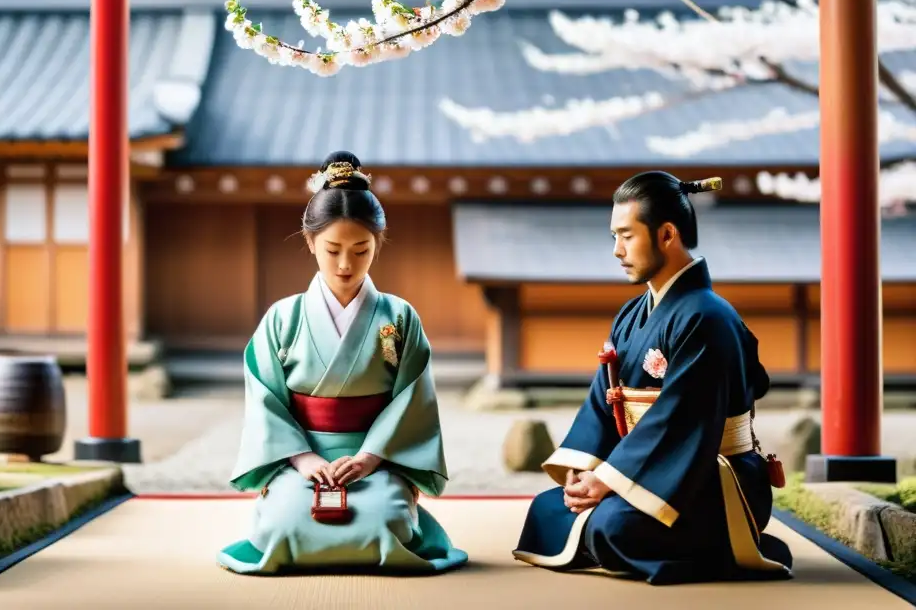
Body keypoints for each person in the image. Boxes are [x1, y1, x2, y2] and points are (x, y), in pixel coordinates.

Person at [512, 171, 793, 585]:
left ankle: (737, 547)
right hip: (650, 469)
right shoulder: (630, 315)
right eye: (613, 237)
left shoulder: (707, 317)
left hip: (710, 476)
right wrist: (583, 467)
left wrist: (607, 480)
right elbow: (603, 402)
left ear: (666, 235)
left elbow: (681, 419)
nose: (616, 250)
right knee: (549, 507)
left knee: (612, 526)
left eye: (626, 236)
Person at [216, 151, 468, 575]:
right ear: (310, 241)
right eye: (332, 249)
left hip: (377, 458)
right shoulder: (284, 317)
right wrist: (302, 459)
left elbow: (414, 399)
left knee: (385, 524)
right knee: (283, 525)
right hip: (302, 459)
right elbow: (266, 399)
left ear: (378, 243)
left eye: (361, 249)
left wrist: (371, 456)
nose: (346, 264)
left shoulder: (398, 318)